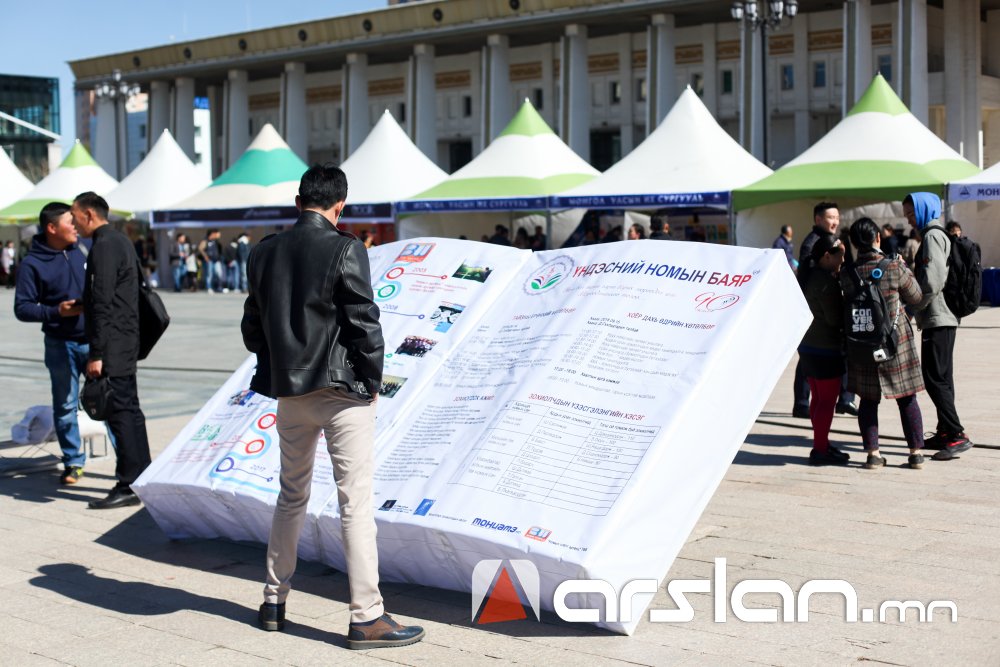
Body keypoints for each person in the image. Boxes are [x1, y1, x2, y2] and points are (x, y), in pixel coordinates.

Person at [241, 165, 425, 649]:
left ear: (298, 201)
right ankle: (367, 617)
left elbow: (252, 328)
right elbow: (364, 322)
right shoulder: (345, 247)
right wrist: (372, 381)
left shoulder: (264, 251)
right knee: (354, 503)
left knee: (291, 495)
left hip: (290, 394)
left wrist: (281, 367)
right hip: (342, 393)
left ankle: (273, 601)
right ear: (340, 206)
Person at [71, 192, 152, 509]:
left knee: (120, 413)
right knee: (130, 410)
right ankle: (142, 477)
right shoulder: (119, 241)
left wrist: (96, 354)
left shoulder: (103, 246)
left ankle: (129, 483)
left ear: (89, 214)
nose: (74, 224)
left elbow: (102, 302)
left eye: (75, 217)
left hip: (113, 344)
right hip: (125, 338)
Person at [14, 203, 94, 484]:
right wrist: (56, 311)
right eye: (70, 222)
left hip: (94, 341)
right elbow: (22, 308)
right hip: (61, 344)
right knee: (65, 405)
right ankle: (73, 462)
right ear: (51, 228)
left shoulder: (83, 249)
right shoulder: (32, 264)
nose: (76, 226)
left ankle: (128, 465)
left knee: (110, 401)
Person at [842, 217, 926, 470]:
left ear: (854, 243)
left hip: (862, 342)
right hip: (895, 342)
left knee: (868, 400)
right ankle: (915, 453)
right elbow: (917, 297)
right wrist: (905, 268)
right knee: (907, 398)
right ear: (878, 238)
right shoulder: (893, 266)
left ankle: (873, 454)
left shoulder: (848, 273)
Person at [905, 192, 973, 461]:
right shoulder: (934, 235)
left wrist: (913, 306)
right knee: (942, 378)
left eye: (911, 213)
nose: (908, 219)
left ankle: (957, 434)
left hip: (938, 317)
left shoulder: (932, 236)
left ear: (924, 210)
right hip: (941, 317)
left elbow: (932, 282)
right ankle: (945, 430)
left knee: (934, 378)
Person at [793, 202, 857, 418]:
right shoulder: (812, 243)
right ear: (818, 219)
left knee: (811, 358)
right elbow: (808, 276)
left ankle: (842, 399)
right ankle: (802, 403)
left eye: (837, 217)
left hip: (819, 307)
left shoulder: (832, 239)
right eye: (831, 217)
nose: (835, 221)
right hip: (815, 308)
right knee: (809, 359)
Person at [797, 233, 850, 466]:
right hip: (826, 348)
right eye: (841, 256)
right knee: (827, 401)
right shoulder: (826, 283)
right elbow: (834, 319)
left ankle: (821, 443)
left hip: (808, 347)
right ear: (827, 256)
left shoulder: (809, 275)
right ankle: (820, 450)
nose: (843, 261)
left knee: (818, 398)